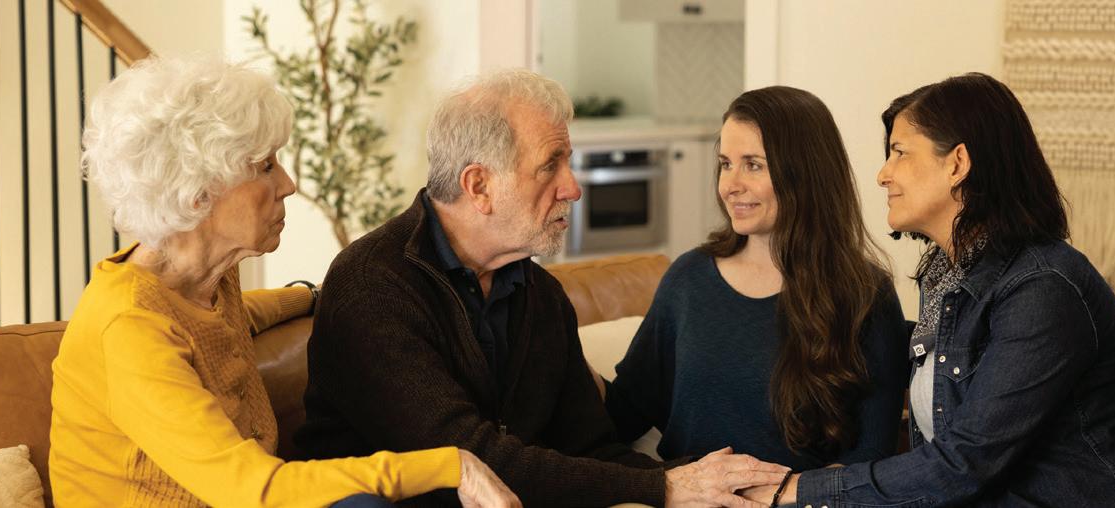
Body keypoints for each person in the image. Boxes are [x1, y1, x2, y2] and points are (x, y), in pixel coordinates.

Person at [295, 69, 787, 507]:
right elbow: (464, 461)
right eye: (551, 165)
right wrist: (663, 487)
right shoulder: (373, 286)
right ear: (479, 186)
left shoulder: (540, 294)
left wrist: (716, 485)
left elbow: (591, 449)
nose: (573, 188)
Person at [48, 56, 517, 508]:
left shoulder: (204, 283)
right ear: (197, 190)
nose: (289, 184)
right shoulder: (128, 327)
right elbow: (255, 492)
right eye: (266, 166)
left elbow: (224, 322)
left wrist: (313, 297)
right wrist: (451, 466)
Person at [757, 73, 1115, 507]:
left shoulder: (1043, 288)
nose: (883, 175)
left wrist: (798, 489)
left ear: (957, 164)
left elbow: (964, 463)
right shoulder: (948, 281)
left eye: (899, 152)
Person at [603, 86, 908, 473]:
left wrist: (773, 496)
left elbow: (869, 463)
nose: (730, 185)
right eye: (725, 164)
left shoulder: (866, 295)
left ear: (805, 173)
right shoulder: (688, 279)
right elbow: (624, 413)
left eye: (753, 165)